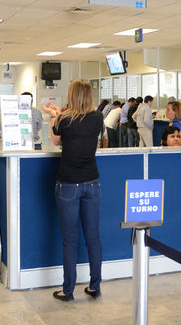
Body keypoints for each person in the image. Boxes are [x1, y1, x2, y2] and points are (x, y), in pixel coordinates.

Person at [43, 80, 104, 302]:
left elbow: (56, 140)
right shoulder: (98, 117)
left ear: (71, 96)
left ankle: (67, 290)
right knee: (93, 237)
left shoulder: (64, 119)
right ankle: (95, 286)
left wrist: (53, 117)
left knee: (70, 240)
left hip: (68, 184)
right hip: (92, 182)